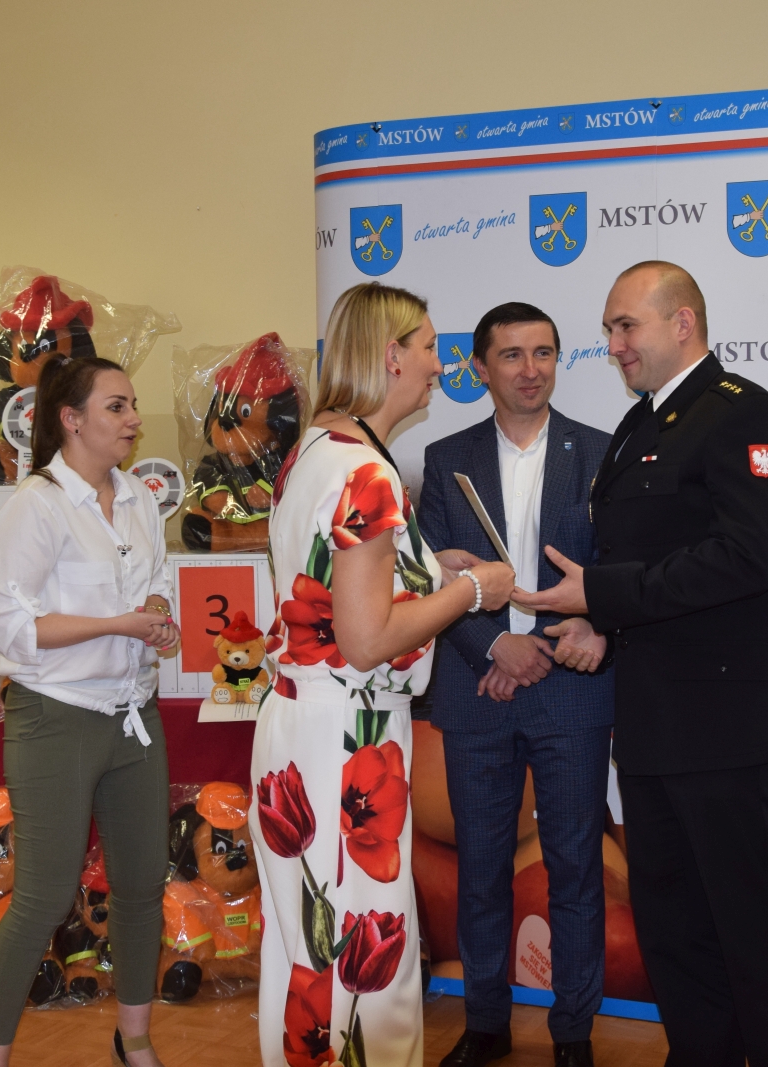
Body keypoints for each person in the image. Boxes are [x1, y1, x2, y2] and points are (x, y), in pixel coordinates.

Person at [514, 261, 768, 1067]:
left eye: (627, 326)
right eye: (609, 330)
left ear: (682, 322)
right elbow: (651, 565)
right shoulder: (639, 427)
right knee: (674, 931)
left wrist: (603, 595)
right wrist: (601, 626)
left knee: (752, 931)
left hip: (726, 728)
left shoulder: (743, 414)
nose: (614, 345)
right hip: (654, 726)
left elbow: (745, 558)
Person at [251, 281, 515, 1067]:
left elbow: (333, 590)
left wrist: (428, 565)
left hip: (301, 725)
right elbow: (366, 640)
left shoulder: (315, 449)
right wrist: (473, 591)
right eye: (430, 347)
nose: (440, 364)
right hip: (346, 742)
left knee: (307, 949)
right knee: (365, 954)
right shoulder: (369, 472)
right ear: (391, 355)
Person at [418, 302, 613, 1067]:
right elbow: (429, 574)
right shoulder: (445, 458)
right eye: (511, 354)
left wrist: (572, 633)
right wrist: (495, 644)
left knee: (576, 869)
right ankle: (486, 1024)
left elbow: (619, 569)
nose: (530, 369)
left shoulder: (601, 452)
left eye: (543, 353)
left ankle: (573, 1032)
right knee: (482, 871)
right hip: (479, 688)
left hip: (572, 688)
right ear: (480, 367)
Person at [0, 354, 180, 1067]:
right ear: (71, 419)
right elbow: (3, 624)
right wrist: (118, 624)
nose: (134, 420)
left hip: (135, 715)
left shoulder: (139, 496)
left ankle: (135, 1039)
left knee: (142, 886)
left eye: (132, 405)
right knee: (43, 897)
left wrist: (157, 614)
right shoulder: (37, 503)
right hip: (54, 716)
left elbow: (157, 579)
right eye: (117, 407)